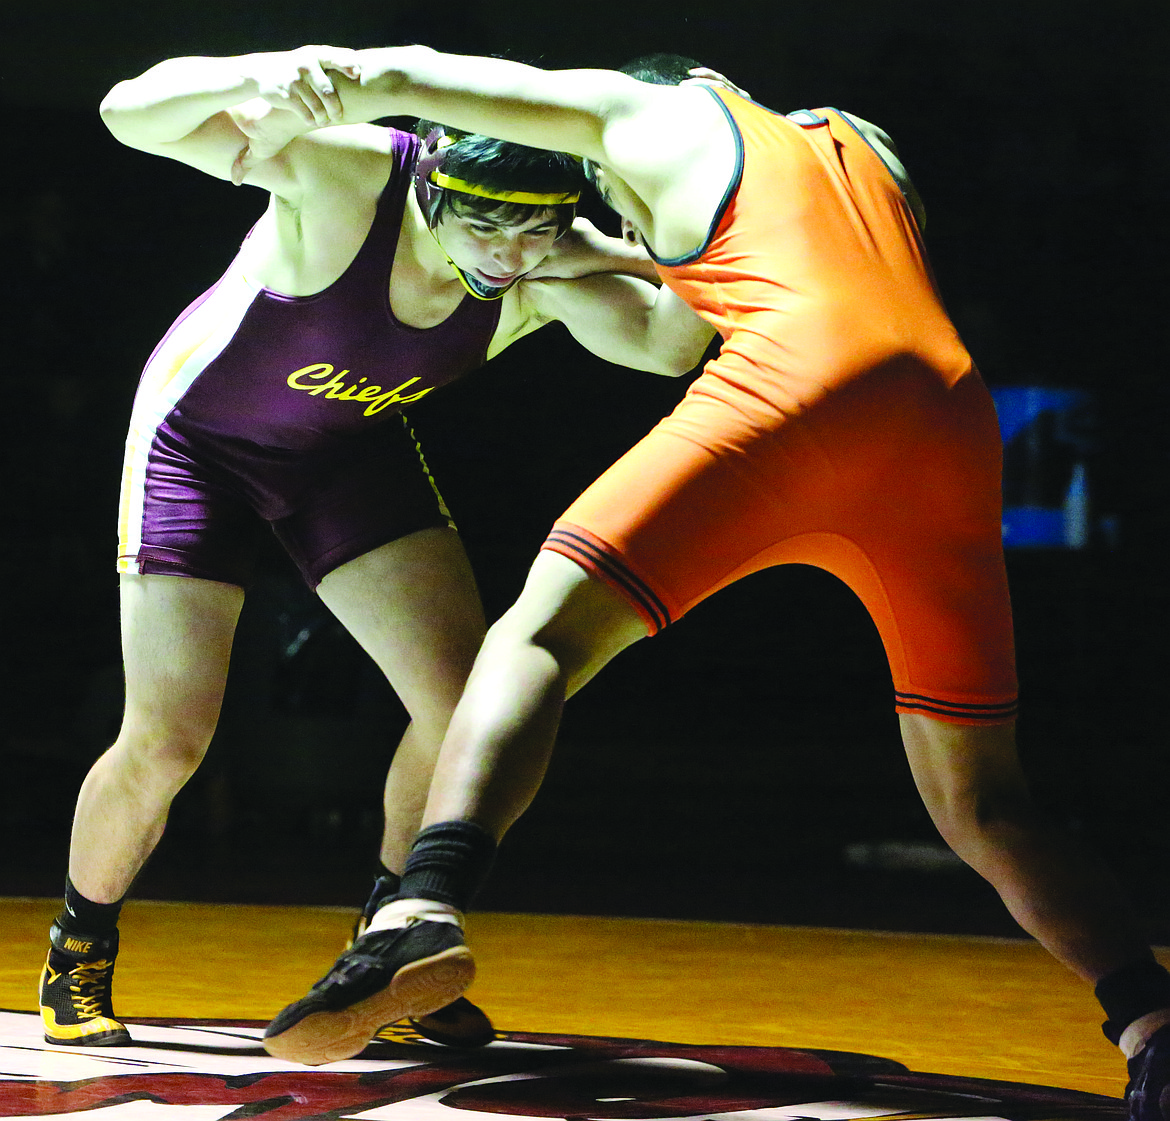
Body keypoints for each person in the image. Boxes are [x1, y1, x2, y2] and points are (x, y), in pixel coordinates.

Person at [253, 46, 1170, 1115]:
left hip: (796, 385)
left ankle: (420, 904)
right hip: (949, 419)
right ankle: (1150, 1020)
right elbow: (717, 279)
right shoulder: (856, 141)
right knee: (984, 799)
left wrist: (323, 78)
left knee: (537, 637)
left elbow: (429, 75)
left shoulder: (643, 109)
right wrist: (578, 252)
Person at [38, 46, 714, 1053]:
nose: (502, 254)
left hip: (345, 451)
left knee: (465, 709)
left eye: (531, 227)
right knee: (171, 735)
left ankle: (394, 944)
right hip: (200, 444)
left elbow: (666, 345)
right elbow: (124, 108)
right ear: (435, 181)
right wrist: (262, 77)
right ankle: (78, 949)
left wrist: (683, 224)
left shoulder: (549, 259)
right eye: (481, 222)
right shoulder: (354, 170)